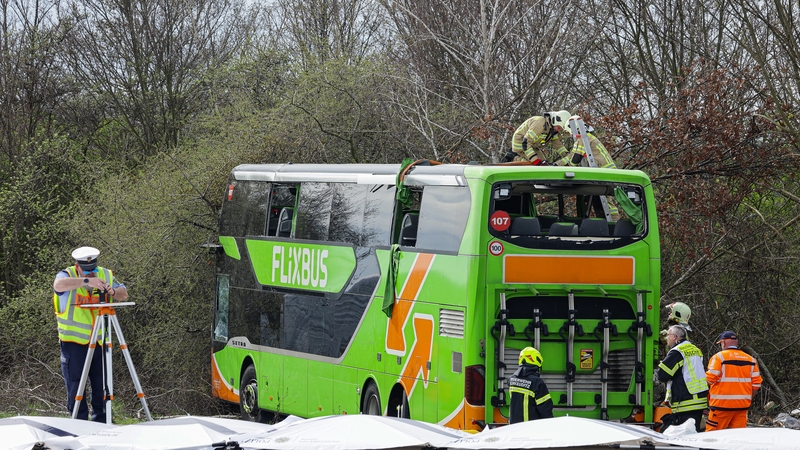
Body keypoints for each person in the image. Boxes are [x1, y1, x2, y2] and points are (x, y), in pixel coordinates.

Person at [53, 246, 128, 422]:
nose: (92, 273)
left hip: (100, 343)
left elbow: (123, 294)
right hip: (73, 344)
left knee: (101, 386)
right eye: (86, 271)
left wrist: (112, 291)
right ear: (77, 266)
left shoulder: (105, 274)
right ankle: (79, 426)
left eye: (93, 269)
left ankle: (102, 423)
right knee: (75, 387)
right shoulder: (66, 275)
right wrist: (86, 281)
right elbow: (58, 285)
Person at [705, 331, 762, 431]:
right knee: (738, 438)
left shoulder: (719, 357)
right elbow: (756, 384)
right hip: (741, 407)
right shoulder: (751, 360)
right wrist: (746, 399)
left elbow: (709, 379)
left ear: (723, 342)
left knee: (712, 436)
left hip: (721, 407)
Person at [656, 325, 708, 432]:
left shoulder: (677, 351)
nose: (666, 338)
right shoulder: (695, 349)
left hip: (686, 402)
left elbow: (662, 375)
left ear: (674, 337)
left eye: (668, 335)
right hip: (699, 400)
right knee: (694, 432)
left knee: (684, 435)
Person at [504, 111, 572, 164]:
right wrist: (535, 160)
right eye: (559, 127)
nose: (559, 130)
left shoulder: (552, 129)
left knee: (543, 164)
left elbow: (558, 146)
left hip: (532, 145)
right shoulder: (540, 124)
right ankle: (515, 158)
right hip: (521, 144)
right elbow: (526, 142)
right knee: (533, 164)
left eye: (561, 129)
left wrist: (567, 157)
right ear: (555, 121)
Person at [508, 347, 554, 423]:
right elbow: (546, 409)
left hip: (514, 427)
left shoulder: (511, 380)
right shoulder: (537, 382)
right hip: (530, 428)